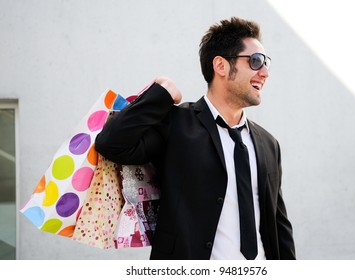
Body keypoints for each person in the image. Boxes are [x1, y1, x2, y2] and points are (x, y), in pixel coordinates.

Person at [95, 17, 295, 260]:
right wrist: (160, 94)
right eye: (255, 61)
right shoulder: (177, 124)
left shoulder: (268, 143)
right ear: (220, 66)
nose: (264, 73)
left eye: (266, 64)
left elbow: (279, 225)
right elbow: (111, 144)